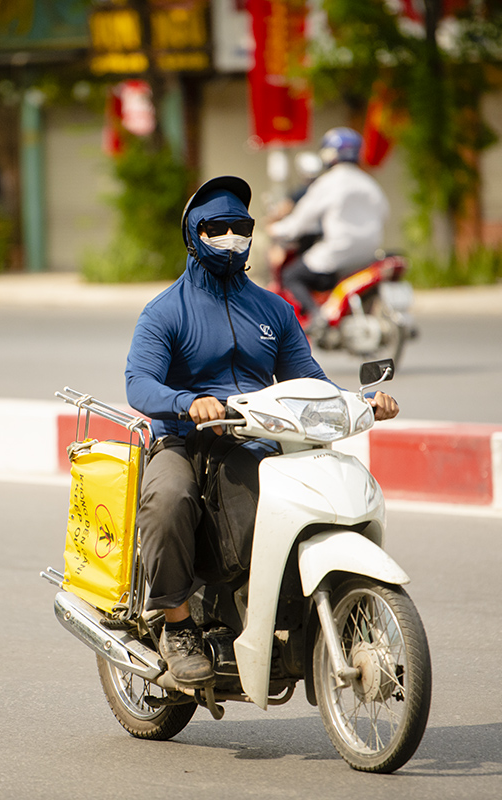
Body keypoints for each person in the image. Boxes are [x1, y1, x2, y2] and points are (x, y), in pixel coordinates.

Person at [124, 176, 400, 687]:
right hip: (184, 438)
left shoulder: (273, 309)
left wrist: (358, 401)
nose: (231, 236)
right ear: (192, 235)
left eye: (241, 227)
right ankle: (177, 625)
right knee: (170, 499)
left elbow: (308, 378)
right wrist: (188, 403)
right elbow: (138, 383)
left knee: (297, 502)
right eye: (216, 228)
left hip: (256, 435)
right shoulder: (166, 312)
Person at [267, 127, 390, 332]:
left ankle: (317, 316)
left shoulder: (328, 183)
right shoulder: (369, 183)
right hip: (368, 254)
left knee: (290, 275)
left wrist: (277, 230)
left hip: (338, 252)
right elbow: (383, 212)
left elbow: (299, 222)